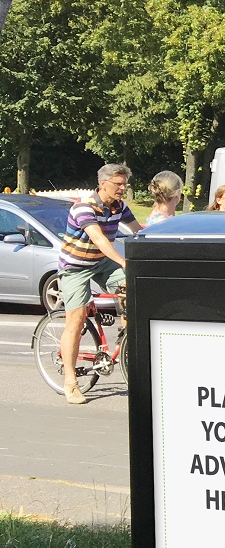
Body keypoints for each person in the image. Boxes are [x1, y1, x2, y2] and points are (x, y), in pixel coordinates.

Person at [57, 163, 137, 404]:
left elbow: (138, 231)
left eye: (124, 184)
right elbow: (99, 239)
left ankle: (125, 340)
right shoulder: (84, 207)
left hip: (101, 263)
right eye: (118, 184)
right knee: (76, 320)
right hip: (75, 267)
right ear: (103, 183)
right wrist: (123, 261)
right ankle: (70, 382)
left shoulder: (119, 207)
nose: (122, 188)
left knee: (133, 288)